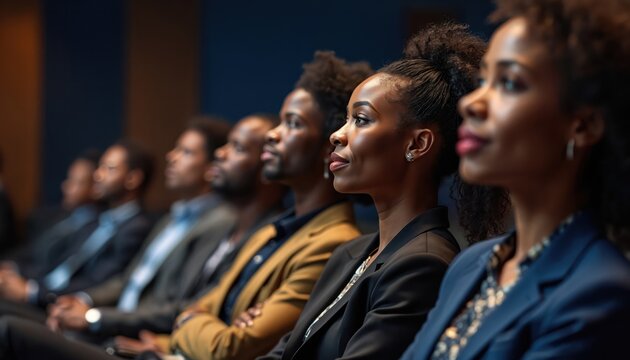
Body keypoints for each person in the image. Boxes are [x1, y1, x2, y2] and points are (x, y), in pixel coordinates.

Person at [256, 23, 506, 360]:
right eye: (345, 119)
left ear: (417, 144)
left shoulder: (422, 264)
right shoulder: (352, 251)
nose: (338, 135)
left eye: (360, 119)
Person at [401, 1, 630, 359]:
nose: (472, 103)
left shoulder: (599, 292)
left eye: (509, 83)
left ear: (582, 125)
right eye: (483, 81)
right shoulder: (470, 265)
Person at [44, 117, 233, 341]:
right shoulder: (169, 218)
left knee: (11, 331)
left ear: (211, 168)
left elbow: (180, 305)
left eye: (186, 152)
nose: (171, 157)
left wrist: (95, 317)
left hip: (136, 338)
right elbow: (127, 280)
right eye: (175, 149)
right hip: (112, 325)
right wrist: (84, 300)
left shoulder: (218, 224)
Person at [0, 141, 154, 319]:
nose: (98, 175)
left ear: (132, 179)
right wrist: (16, 275)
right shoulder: (98, 221)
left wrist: (32, 291)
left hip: (62, 308)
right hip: (46, 296)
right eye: (100, 167)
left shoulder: (136, 229)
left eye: (109, 168)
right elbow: (56, 266)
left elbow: (96, 284)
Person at [1, 149, 102, 280]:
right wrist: (10, 265)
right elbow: (33, 249)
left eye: (76, 182)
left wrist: (17, 273)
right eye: (68, 178)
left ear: (95, 187)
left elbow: (57, 269)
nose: (65, 186)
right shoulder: (61, 215)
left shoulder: (95, 228)